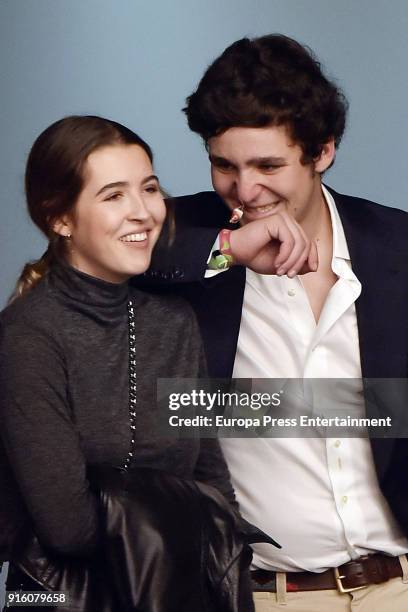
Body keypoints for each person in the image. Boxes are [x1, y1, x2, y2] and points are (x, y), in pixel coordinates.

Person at [141, 34, 408, 611]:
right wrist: (227, 249)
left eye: (268, 165)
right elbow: (84, 253)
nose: (244, 189)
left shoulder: (398, 245)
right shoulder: (184, 239)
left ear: (322, 152)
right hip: (262, 596)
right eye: (223, 165)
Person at [0, 115, 280, 612]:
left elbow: (213, 483)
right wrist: (191, 514)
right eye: (113, 196)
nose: (143, 213)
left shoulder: (173, 322)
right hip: (73, 599)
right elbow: (69, 528)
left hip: (183, 596)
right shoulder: (28, 336)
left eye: (149, 189)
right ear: (59, 218)